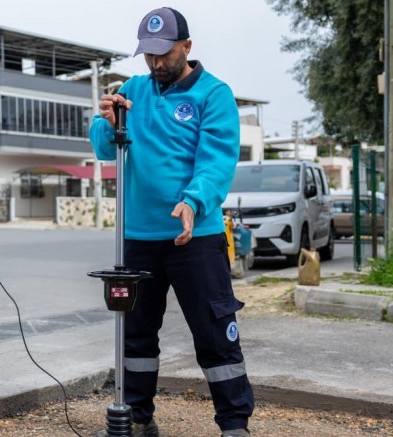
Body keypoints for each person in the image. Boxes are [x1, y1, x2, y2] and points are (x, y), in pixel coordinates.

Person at [89, 7, 255, 437]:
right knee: (136, 334)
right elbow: (105, 150)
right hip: (138, 237)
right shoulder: (131, 90)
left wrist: (193, 201)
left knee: (215, 331)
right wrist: (108, 122)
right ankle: (138, 418)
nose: (156, 63)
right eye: (148, 54)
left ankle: (235, 424)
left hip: (194, 237)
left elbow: (216, 161)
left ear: (187, 46)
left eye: (164, 53)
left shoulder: (213, 94)